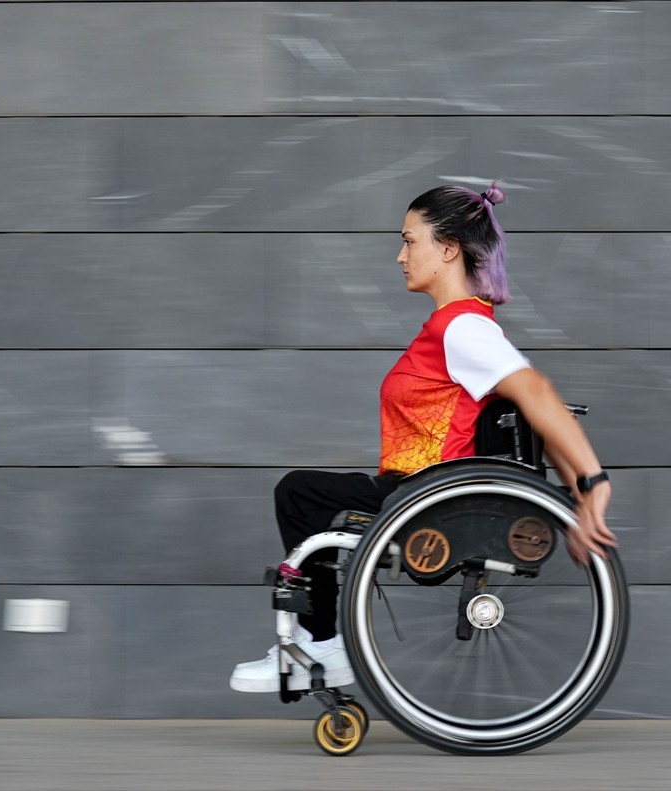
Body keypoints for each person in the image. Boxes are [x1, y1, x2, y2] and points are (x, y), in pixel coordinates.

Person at [229, 182, 617, 693]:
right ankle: (320, 641)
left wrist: (592, 486)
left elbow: (538, 394)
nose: (400, 256)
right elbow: (536, 414)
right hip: (414, 488)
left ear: (449, 248)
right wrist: (572, 495)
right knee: (305, 494)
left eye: (410, 241)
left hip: (422, 493)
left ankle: (323, 645)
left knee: (298, 493)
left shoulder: (462, 329)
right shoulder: (457, 327)